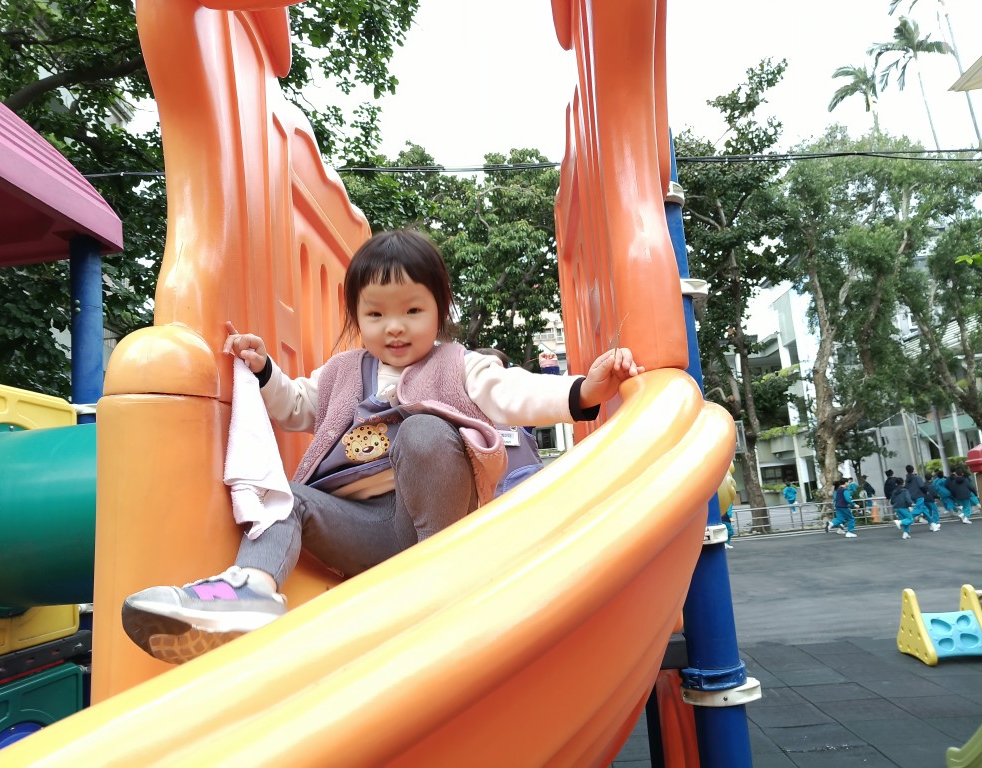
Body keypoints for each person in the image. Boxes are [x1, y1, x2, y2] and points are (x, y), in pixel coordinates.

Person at [120, 229, 641, 664]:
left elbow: (514, 393)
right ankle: (252, 590)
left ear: (439, 311)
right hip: (364, 532)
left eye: (412, 310)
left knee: (424, 430)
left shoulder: (459, 365)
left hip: (433, 525)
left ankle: (439, 579)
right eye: (375, 315)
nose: (394, 327)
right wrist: (263, 370)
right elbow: (298, 406)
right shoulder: (343, 372)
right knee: (284, 497)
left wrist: (584, 391)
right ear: (357, 315)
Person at [475, 347, 544, 496]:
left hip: (532, 493)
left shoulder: (518, 412)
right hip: (493, 501)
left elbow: (547, 402)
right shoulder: (468, 419)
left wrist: (549, 368)